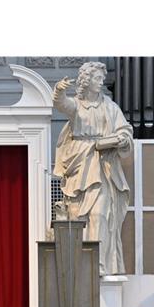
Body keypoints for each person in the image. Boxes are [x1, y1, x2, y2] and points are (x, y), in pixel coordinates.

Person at [54, 61, 134, 276]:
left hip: (104, 165)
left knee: (100, 213)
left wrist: (123, 139)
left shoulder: (109, 106)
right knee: (78, 216)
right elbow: (63, 105)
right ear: (86, 81)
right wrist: (59, 92)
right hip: (81, 162)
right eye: (97, 78)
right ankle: (79, 263)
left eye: (101, 78)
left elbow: (125, 129)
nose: (101, 82)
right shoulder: (77, 105)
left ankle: (99, 262)